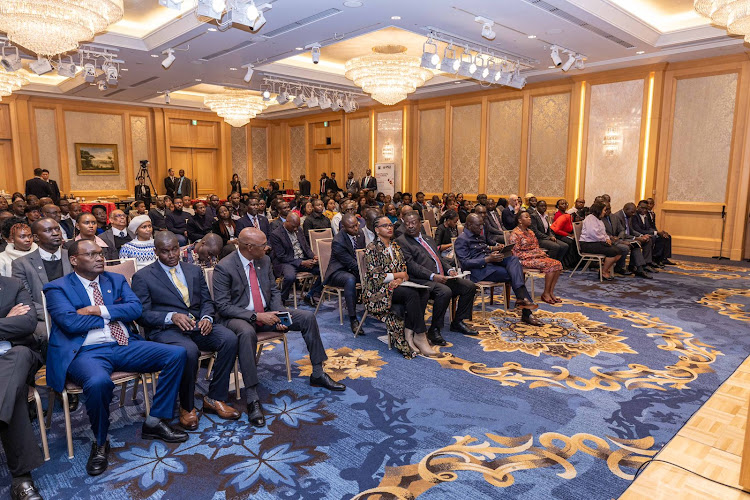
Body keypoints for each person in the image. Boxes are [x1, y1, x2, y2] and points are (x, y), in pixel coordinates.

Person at [44, 239, 188, 476]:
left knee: (177, 354)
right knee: (99, 382)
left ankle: (155, 420)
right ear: (74, 260)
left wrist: (96, 310)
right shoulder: (57, 287)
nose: (99, 258)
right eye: (91, 255)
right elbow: (69, 323)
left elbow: (135, 310)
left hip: (123, 344)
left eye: (100, 253)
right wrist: (112, 314)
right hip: (85, 352)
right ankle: (100, 442)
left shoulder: (116, 279)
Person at [212, 227, 345, 427]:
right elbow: (222, 306)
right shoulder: (225, 267)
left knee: (307, 317)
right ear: (249, 247)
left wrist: (280, 316)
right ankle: (252, 397)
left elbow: (273, 291)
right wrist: (257, 316)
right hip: (237, 318)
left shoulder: (264, 260)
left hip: (266, 312)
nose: (268, 247)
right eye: (263, 245)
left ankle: (318, 373)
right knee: (247, 333)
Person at [132, 232, 239, 431]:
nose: (172, 255)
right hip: (166, 330)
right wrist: (170, 316)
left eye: (174, 249)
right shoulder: (143, 277)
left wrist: (207, 317)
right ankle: (186, 406)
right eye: (165, 251)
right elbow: (141, 314)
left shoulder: (193, 270)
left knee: (229, 338)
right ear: (156, 252)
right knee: (189, 350)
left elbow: (207, 301)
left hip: (197, 325)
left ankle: (214, 398)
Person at [397, 212, 478, 343]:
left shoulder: (427, 238)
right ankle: (434, 330)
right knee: (444, 291)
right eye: (407, 224)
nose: (410, 226)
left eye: (413, 223)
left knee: (469, 287)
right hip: (421, 280)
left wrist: (450, 270)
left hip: (440, 277)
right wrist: (433, 276)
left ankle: (458, 322)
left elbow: (438, 258)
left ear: (420, 223)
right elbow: (411, 266)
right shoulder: (402, 241)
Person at [364, 216, 436, 358]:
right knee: (411, 294)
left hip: (397, 286)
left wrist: (400, 278)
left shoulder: (396, 246)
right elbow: (376, 276)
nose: (389, 228)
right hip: (378, 290)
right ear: (377, 230)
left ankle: (410, 333)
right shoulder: (372, 248)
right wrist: (398, 275)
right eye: (385, 226)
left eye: (391, 225)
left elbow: (405, 272)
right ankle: (420, 335)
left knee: (424, 292)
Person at [0, 275, 45, 500]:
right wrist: (6, 321)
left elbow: (27, 323)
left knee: (18, 356)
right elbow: (14, 325)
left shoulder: (12, 285)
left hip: (16, 354)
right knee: (13, 391)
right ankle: (22, 479)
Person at [454, 214, 542, 326]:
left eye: (482, 225)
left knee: (513, 259)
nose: (481, 228)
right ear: (469, 225)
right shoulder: (462, 239)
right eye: (478, 225)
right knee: (513, 273)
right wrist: (487, 259)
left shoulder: (478, 235)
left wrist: (493, 254)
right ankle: (526, 310)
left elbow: (484, 250)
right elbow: (465, 263)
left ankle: (522, 300)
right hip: (479, 272)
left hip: (490, 264)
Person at [12, 218, 71, 344]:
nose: (55, 233)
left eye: (57, 229)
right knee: (45, 334)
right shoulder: (21, 264)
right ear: (36, 237)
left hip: (76, 311)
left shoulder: (73, 257)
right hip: (44, 316)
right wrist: (52, 314)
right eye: (48, 230)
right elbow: (25, 299)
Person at [324, 214, 366, 333]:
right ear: (344, 227)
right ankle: (353, 319)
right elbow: (351, 263)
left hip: (354, 269)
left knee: (377, 276)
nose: (356, 229)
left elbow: (361, 255)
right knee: (350, 279)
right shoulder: (338, 240)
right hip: (338, 271)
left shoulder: (360, 234)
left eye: (356, 225)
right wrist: (366, 271)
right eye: (352, 227)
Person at [509, 211, 563, 304]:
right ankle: (545, 293)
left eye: (529, 217)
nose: (529, 219)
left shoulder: (530, 232)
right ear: (520, 221)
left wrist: (540, 253)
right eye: (526, 217)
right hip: (523, 260)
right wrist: (536, 255)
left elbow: (536, 247)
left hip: (534, 257)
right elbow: (516, 254)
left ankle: (550, 292)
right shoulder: (515, 234)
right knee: (550, 265)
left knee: (558, 264)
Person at [269, 213, 322, 307]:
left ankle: (310, 295)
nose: (295, 229)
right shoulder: (276, 234)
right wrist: (301, 262)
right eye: (293, 226)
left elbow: (306, 247)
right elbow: (281, 256)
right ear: (287, 221)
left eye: (297, 226)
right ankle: (282, 299)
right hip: (286, 262)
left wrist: (313, 256)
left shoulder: (299, 230)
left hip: (302, 259)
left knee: (324, 270)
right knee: (290, 277)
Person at [609, 203, 656, 277]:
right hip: (621, 238)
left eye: (634, 212)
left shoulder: (629, 216)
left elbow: (631, 230)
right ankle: (637, 268)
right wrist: (635, 238)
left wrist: (641, 235)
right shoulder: (618, 216)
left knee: (646, 240)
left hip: (628, 237)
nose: (634, 214)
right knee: (635, 244)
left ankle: (640, 266)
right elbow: (622, 233)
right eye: (632, 212)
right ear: (626, 209)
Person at [579, 202, 621, 280]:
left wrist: (607, 238)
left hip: (596, 242)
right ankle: (604, 272)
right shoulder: (590, 219)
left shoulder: (599, 220)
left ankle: (605, 269)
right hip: (587, 244)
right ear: (599, 210)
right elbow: (592, 234)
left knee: (619, 251)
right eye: (604, 210)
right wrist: (604, 239)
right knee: (612, 251)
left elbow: (603, 233)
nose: (605, 212)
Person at [632, 200, 674, 266]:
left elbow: (649, 227)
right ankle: (651, 259)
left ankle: (661, 258)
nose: (644, 210)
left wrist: (658, 232)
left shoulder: (645, 216)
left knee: (664, 236)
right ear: (638, 207)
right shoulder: (634, 216)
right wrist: (656, 232)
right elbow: (638, 230)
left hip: (646, 233)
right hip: (638, 234)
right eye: (642, 208)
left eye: (646, 208)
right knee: (653, 238)